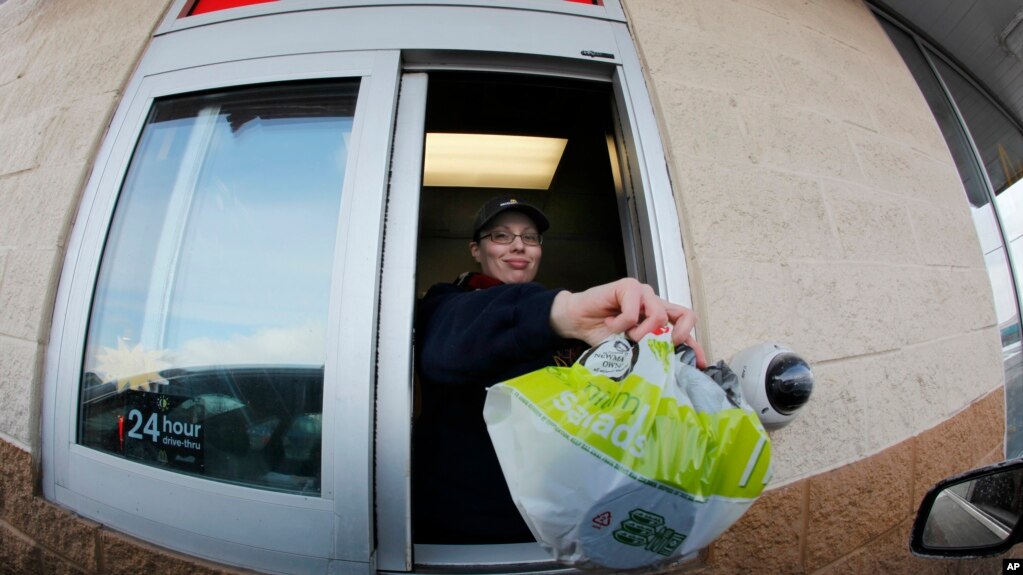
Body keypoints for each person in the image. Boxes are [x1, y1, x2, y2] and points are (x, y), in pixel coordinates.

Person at [412, 196, 706, 544]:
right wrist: (565, 309)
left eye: (530, 237)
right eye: (501, 236)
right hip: (466, 527)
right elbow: (455, 338)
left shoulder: (571, 327)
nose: (518, 245)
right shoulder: (445, 304)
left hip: (560, 524)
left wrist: (654, 346)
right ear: (476, 250)